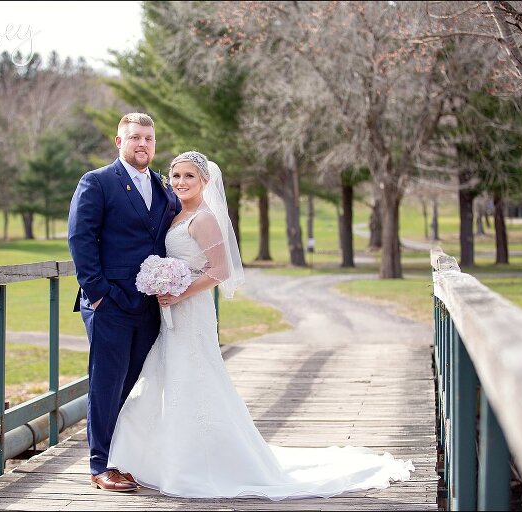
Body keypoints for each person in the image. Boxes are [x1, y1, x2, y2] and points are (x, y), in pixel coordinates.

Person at [107, 151, 415, 499]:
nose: (180, 182)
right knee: (167, 375)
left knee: (195, 375)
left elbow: (220, 271)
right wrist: (162, 281)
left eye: (189, 176)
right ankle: (160, 458)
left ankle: (202, 460)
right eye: (175, 175)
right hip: (174, 310)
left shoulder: (204, 218)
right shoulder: (179, 213)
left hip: (192, 310)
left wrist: (179, 292)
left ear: (205, 181)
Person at [67, 113, 181, 492]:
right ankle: (100, 465)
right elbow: (81, 239)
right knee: (107, 383)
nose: (142, 144)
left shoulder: (164, 190)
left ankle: (124, 457)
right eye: (134, 138)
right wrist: (98, 294)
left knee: (133, 385)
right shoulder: (97, 182)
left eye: (148, 138)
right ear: (119, 142)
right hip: (109, 303)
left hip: (149, 305)